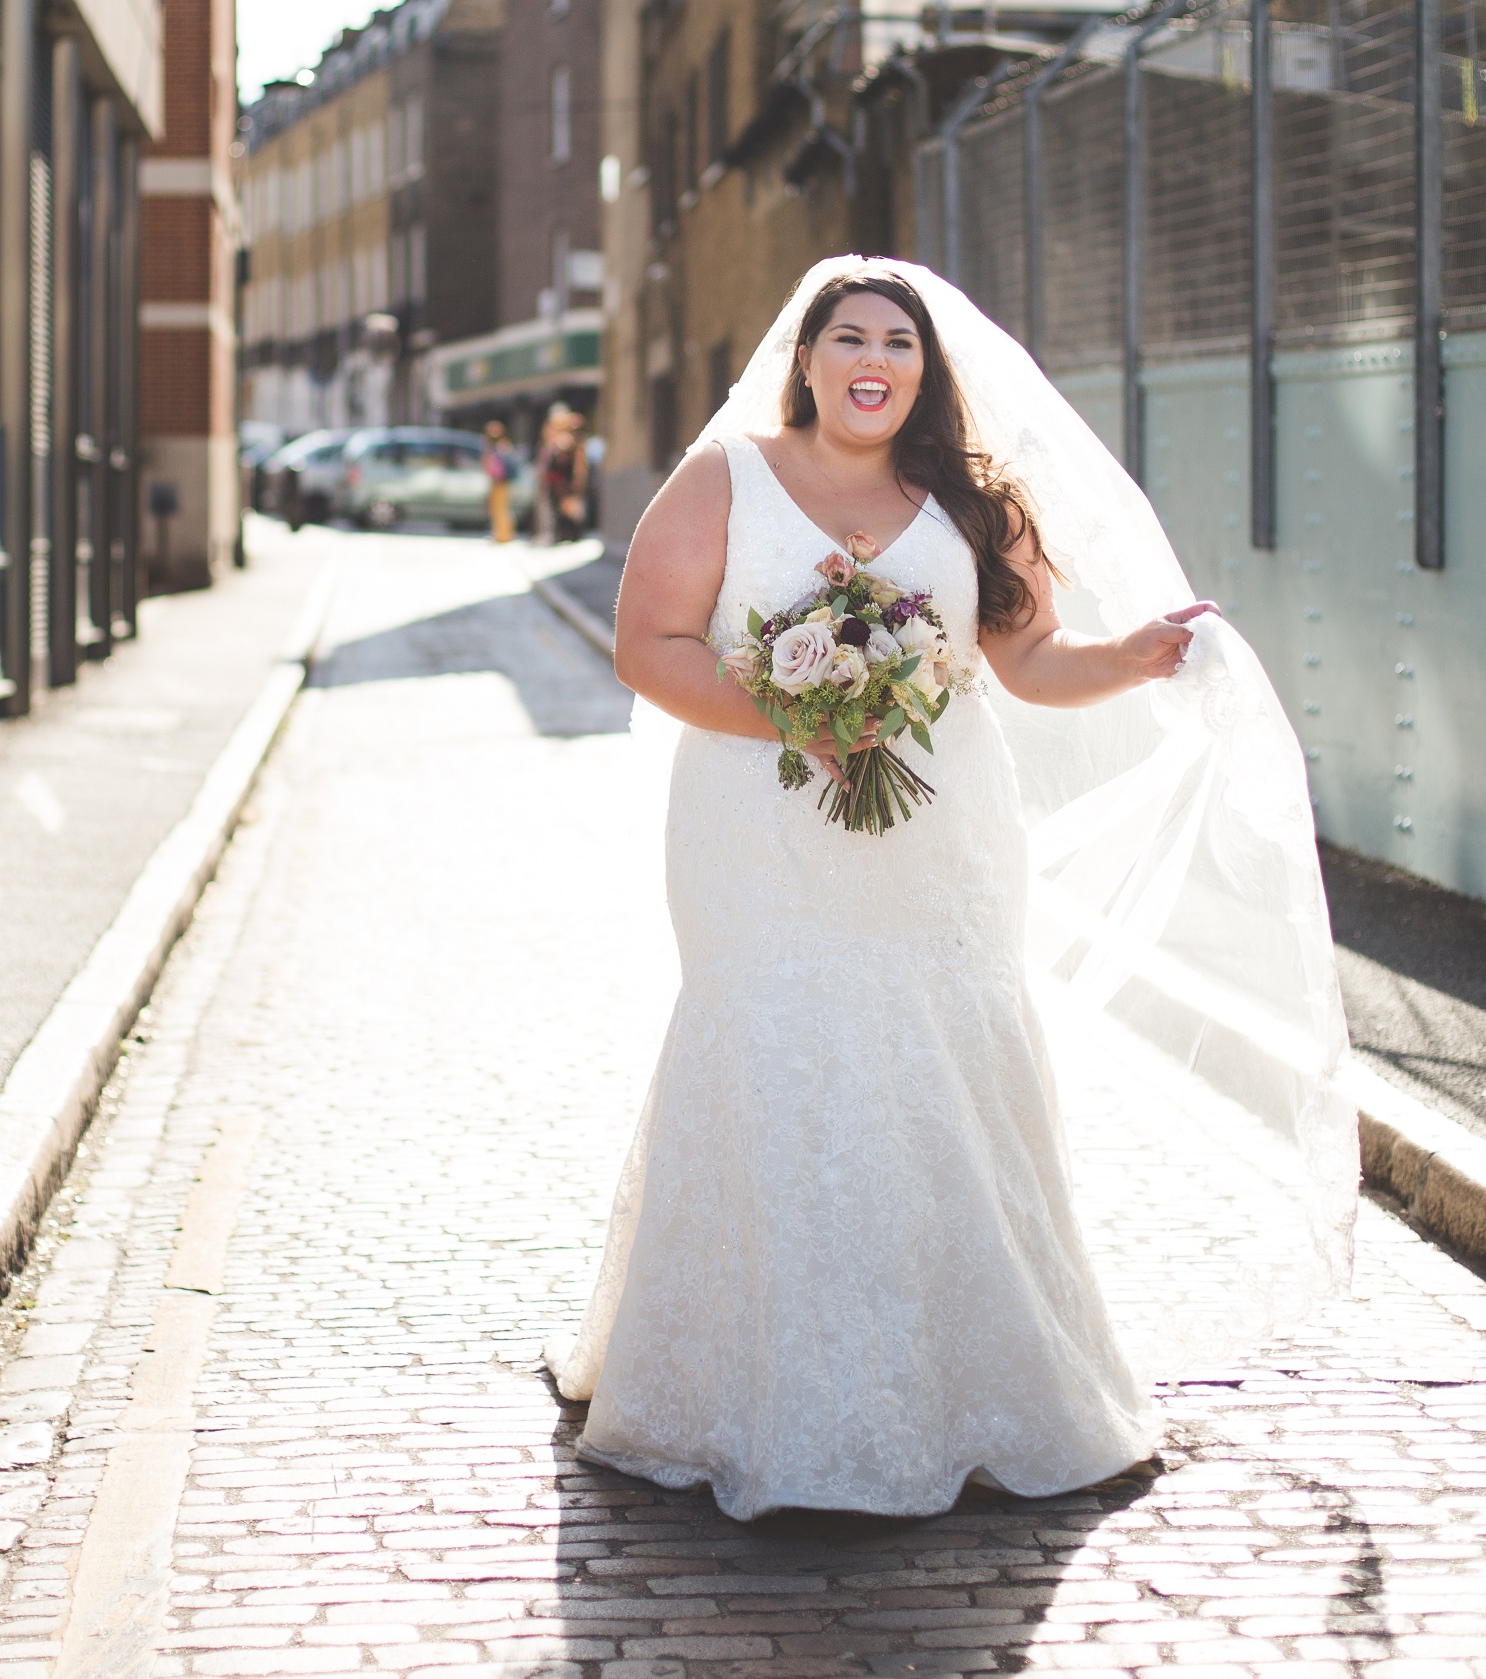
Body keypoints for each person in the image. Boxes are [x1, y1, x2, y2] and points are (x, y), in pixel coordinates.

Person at [545, 260, 1356, 1522]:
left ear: (924, 371)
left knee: (944, 1050)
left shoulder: (972, 501)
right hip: (754, 836)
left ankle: (978, 1378)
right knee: (768, 1038)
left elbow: (1027, 658)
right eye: (848, 335)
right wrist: (793, 716)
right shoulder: (724, 479)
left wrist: (1135, 656)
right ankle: (740, 1386)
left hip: (944, 847)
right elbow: (647, 646)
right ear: (804, 359)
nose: (874, 357)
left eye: (899, 342)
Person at [537, 405, 589, 544]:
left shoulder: (573, 443)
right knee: (562, 509)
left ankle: (571, 534)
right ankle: (565, 534)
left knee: (569, 509)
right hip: (559, 481)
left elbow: (576, 466)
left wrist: (577, 481)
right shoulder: (560, 442)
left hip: (564, 482)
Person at [481, 421, 517, 545]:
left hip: (502, 482)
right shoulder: (495, 446)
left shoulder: (502, 446)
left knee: (502, 509)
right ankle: (500, 534)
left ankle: (504, 535)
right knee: (496, 509)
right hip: (497, 482)